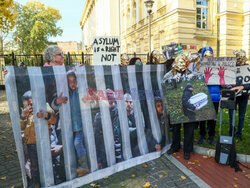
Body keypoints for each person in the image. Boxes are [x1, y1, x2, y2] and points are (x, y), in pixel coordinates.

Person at [53, 70, 89, 177]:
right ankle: (73, 171)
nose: (72, 83)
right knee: (69, 148)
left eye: (74, 80)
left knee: (78, 143)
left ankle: (84, 165)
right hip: (68, 128)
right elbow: (54, 105)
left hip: (79, 126)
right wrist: (57, 102)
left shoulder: (80, 92)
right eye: (69, 82)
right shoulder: (64, 93)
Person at [20, 91, 57, 187]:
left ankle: (52, 181)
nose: (30, 107)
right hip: (31, 144)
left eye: (31, 104)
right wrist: (23, 116)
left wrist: (46, 115)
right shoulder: (27, 114)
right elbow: (22, 127)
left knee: (47, 162)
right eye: (27, 106)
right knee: (34, 166)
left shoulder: (44, 107)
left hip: (43, 142)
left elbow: (53, 120)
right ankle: (37, 183)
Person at [93, 89, 123, 169]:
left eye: (111, 103)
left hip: (117, 153)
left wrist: (119, 155)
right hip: (104, 155)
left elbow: (118, 136)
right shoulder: (99, 118)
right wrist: (98, 160)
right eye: (107, 103)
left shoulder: (118, 114)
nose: (110, 106)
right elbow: (96, 140)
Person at [198, 47, 220, 145]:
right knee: (202, 117)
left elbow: (222, 80)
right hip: (203, 95)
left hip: (214, 96)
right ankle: (202, 135)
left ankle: (211, 135)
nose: (208, 57)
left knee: (212, 118)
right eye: (206, 55)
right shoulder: (198, 67)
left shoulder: (217, 66)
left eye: (210, 55)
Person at [229, 50, 249, 140]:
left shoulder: (248, 68)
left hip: (243, 96)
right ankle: (231, 132)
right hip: (233, 95)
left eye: (241, 57)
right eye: (238, 57)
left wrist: (243, 86)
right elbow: (226, 80)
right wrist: (230, 84)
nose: (239, 59)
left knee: (241, 116)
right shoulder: (231, 68)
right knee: (231, 115)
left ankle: (239, 134)